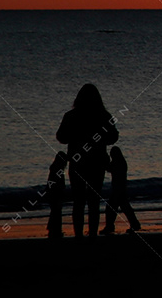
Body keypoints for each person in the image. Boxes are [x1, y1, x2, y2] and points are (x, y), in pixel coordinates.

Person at [56, 83, 118, 238]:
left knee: (78, 201)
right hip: (98, 162)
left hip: (77, 162)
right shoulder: (104, 115)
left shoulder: (71, 116)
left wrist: (75, 136)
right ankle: (92, 234)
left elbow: (61, 137)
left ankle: (78, 235)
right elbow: (113, 137)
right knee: (94, 201)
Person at [103, 146, 142, 234]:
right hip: (121, 189)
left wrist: (104, 160)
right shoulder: (121, 162)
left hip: (118, 189)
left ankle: (110, 226)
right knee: (124, 208)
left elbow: (108, 168)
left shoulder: (118, 163)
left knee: (112, 208)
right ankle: (134, 224)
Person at [46, 153, 68, 239]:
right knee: (57, 211)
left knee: (55, 211)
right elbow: (59, 182)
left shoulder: (54, 168)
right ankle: (55, 229)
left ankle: (53, 228)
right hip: (56, 192)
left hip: (53, 191)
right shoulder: (58, 170)